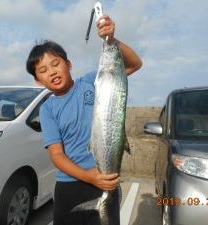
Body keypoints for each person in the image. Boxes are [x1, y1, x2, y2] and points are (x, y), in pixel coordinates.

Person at [26, 15, 142, 225]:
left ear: (69, 64)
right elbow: (57, 154)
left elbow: (134, 64)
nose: (52, 72)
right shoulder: (48, 109)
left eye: (55, 64)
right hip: (69, 184)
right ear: (37, 80)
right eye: (43, 70)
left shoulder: (92, 81)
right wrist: (89, 177)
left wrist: (112, 40)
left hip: (106, 179)